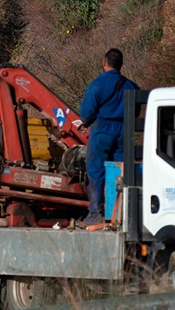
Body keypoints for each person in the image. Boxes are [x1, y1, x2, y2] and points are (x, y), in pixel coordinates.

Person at [78, 48, 139, 225]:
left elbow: (86, 114)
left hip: (102, 129)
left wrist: (88, 122)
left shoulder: (97, 84)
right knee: (121, 170)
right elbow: (135, 111)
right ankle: (120, 213)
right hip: (124, 131)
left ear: (104, 63)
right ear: (121, 65)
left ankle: (95, 213)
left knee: (96, 170)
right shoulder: (131, 86)